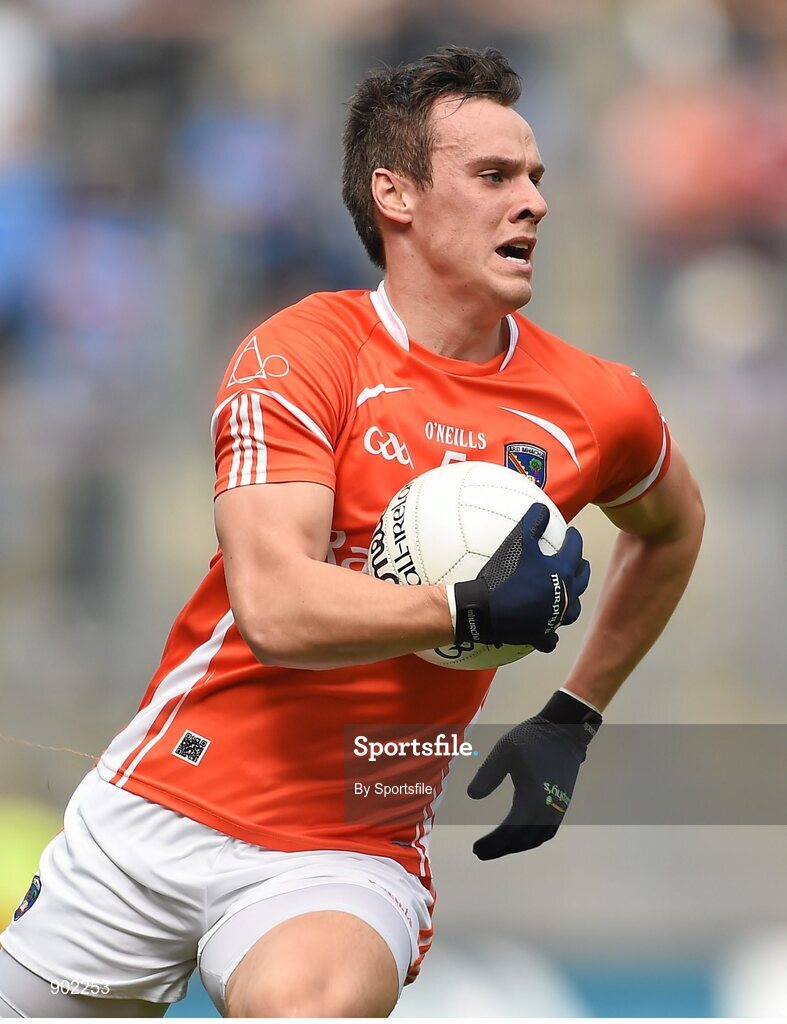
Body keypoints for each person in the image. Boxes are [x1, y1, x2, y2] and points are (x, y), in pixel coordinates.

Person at [0, 46, 704, 1018]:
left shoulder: (598, 405)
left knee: (310, 1005)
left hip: (345, 849)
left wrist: (573, 715)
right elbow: (277, 607)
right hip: (155, 809)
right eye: (494, 175)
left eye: (536, 176)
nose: (533, 201)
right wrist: (458, 607)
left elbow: (671, 528)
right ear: (396, 195)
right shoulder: (303, 355)